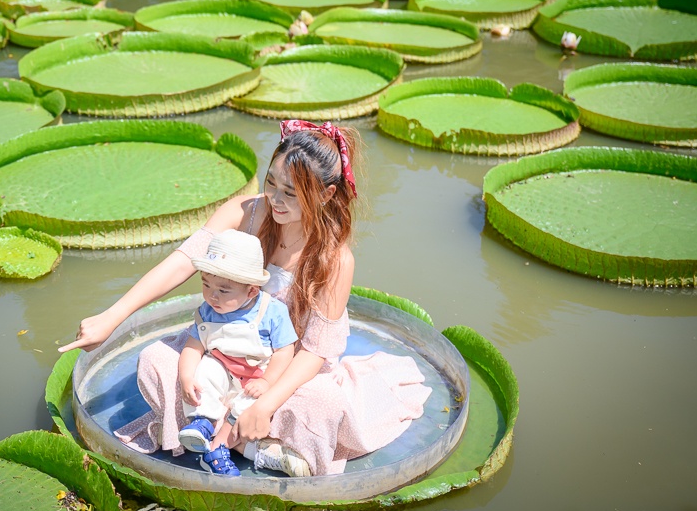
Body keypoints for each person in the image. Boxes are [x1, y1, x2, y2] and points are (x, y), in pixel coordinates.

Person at [60, 120, 431, 477]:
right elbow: (183, 261)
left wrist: (266, 402)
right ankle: (247, 441)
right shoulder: (247, 212)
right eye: (271, 183)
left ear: (326, 194)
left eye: (291, 193)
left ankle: (220, 429)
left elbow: (314, 353)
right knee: (156, 361)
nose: (276, 199)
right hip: (224, 349)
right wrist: (114, 315)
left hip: (284, 367)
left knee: (324, 405)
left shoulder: (334, 259)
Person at [177, 229, 297, 476]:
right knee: (206, 370)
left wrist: (266, 381)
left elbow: (285, 351)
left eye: (223, 290)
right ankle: (203, 421)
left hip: (256, 376)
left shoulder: (271, 312)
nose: (212, 295)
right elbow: (194, 346)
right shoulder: (207, 311)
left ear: (252, 291)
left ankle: (218, 447)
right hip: (224, 369)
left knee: (250, 403)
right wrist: (186, 377)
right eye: (206, 284)